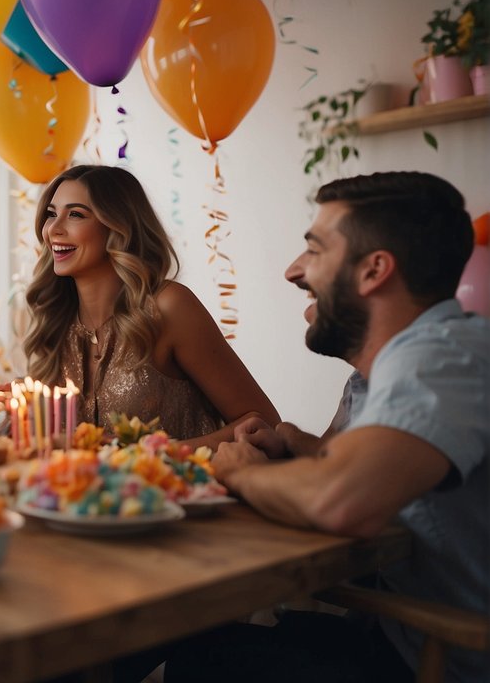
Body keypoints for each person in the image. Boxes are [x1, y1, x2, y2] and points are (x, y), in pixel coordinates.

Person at [168, 171, 488, 683]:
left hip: (446, 659)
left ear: (374, 271)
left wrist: (242, 471)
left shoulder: (439, 360)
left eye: (314, 250)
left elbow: (339, 500)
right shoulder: (380, 374)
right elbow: (366, 474)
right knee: (197, 641)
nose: (294, 271)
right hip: (401, 635)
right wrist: (298, 445)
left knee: (199, 661)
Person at [22, 164, 280, 449]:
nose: (53, 230)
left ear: (118, 226)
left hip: (184, 492)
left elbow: (264, 424)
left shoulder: (168, 307)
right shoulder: (55, 320)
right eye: (51, 214)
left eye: (75, 215)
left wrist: (155, 455)